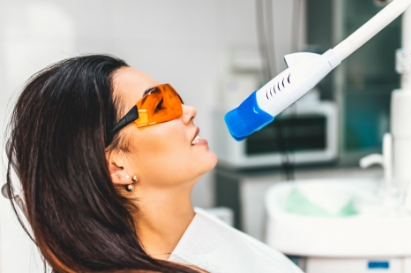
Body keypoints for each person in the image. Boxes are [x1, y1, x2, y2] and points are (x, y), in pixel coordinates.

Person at [5, 55, 303, 273]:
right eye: (160, 105)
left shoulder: (192, 228)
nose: (189, 110)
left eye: (174, 96)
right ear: (116, 167)